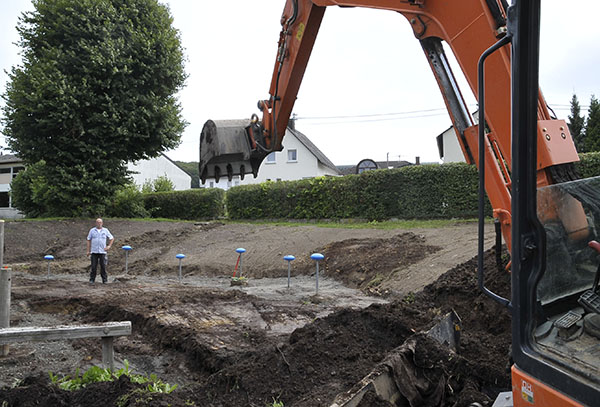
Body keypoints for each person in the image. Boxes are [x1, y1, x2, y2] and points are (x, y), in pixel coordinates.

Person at [86, 218, 114, 284]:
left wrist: (109, 246)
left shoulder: (105, 230)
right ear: (96, 223)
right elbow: (88, 240)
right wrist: (88, 250)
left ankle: (104, 280)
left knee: (103, 266)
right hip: (94, 251)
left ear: (102, 223)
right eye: (98, 222)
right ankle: (92, 280)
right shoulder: (92, 230)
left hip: (102, 252)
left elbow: (111, 238)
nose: (99, 224)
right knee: (93, 266)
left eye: (100, 222)